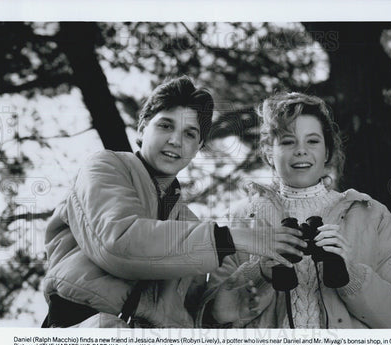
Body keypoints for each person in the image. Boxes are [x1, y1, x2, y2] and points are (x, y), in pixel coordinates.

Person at [41, 76, 303, 328]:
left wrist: (216, 312)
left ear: (198, 146)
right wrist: (231, 238)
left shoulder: (189, 223)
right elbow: (118, 243)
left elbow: (183, 315)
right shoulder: (105, 167)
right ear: (143, 128)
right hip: (84, 331)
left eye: (190, 134)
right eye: (166, 125)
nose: (176, 140)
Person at [197, 92, 391, 329]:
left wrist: (353, 276)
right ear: (268, 152)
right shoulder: (238, 220)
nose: (301, 150)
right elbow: (207, 322)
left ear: (327, 151)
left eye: (313, 141)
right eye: (288, 141)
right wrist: (258, 272)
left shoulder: (373, 216)